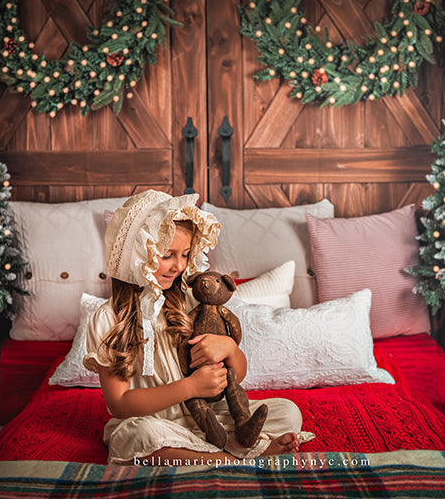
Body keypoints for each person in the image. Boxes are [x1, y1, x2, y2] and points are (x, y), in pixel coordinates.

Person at [83, 190, 303, 465]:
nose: (178, 265)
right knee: (139, 436)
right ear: (137, 252)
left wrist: (230, 348)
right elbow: (119, 404)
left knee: (288, 413)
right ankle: (232, 458)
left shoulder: (191, 301)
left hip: (208, 417)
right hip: (156, 424)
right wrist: (190, 387)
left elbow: (238, 376)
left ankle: (209, 451)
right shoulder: (108, 319)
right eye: (167, 255)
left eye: (185, 254)